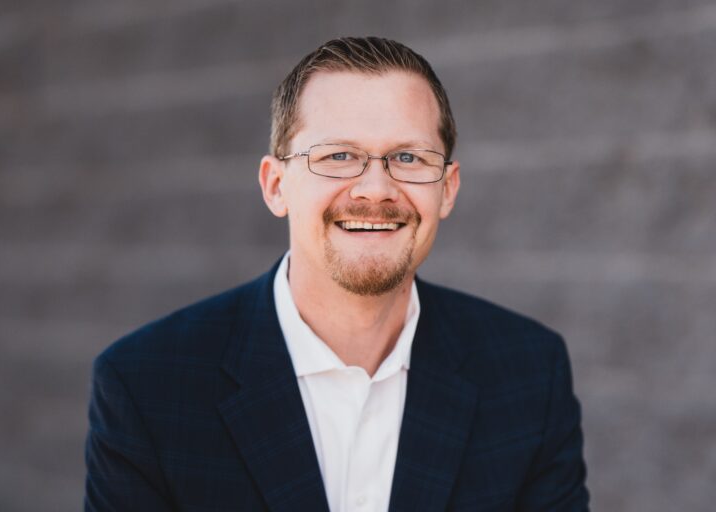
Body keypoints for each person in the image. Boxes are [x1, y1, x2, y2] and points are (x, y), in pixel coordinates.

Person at [84, 36, 589, 511]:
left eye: (407, 157)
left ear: (448, 188)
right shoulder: (147, 385)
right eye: (338, 156)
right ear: (276, 185)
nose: (374, 189)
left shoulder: (528, 374)